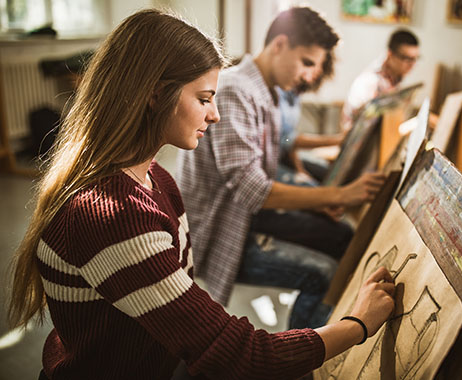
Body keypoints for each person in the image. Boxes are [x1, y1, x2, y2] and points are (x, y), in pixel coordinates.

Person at [8, 9, 396, 380]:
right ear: (155, 95)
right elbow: (245, 356)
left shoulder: (157, 178)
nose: (215, 115)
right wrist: (357, 324)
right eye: (205, 99)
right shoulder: (115, 214)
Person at [175, 7, 386, 330]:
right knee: (325, 273)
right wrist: (338, 192)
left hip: (247, 214)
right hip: (224, 229)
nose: (310, 75)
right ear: (280, 45)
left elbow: (271, 169)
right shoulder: (236, 91)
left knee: (342, 234)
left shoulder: (266, 91)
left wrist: (323, 198)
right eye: (307, 62)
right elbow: (254, 189)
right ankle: (301, 362)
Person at [276, 51, 345, 186]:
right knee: (312, 188)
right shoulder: (281, 90)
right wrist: (337, 140)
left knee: (327, 172)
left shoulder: (295, 94)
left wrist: (300, 169)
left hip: (284, 155)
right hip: (273, 161)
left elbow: (289, 142)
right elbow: (287, 139)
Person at [341, 28, 420, 131]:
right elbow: (354, 126)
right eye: (406, 58)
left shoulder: (394, 78)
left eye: (415, 59)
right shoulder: (370, 81)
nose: (411, 64)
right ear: (390, 55)